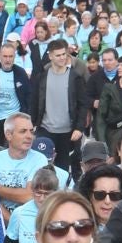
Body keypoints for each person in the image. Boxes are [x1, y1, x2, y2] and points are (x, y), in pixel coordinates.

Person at [31, 38, 88, 171]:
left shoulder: (75, 77)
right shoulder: (42, 77)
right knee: (42, 167)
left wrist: (79, 128)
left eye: (64, 54)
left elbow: (82, 105)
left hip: (68, 132)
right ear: (50, 56)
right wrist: (32, 124)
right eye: (58, 55)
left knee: (64, 168)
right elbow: (34, 101)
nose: (62, 58)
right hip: (45, 129)